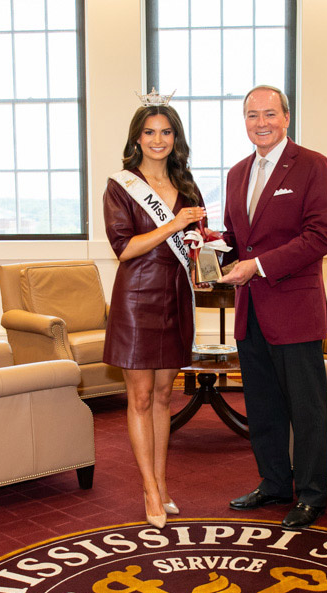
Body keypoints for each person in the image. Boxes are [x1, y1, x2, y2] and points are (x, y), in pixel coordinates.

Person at [218, 85, 327, 529]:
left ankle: (311, 495)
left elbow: (321, 236)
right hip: (250, 311)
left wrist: (257, 266)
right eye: (252, 115)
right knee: (263, 405)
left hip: (294, 310)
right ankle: (273, 483)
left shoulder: (313, 166)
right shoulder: (236, 174)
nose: (261, 123)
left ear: (286, 118)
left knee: (306, 411)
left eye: (269, 114)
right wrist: (211, 243)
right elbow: (237, 237)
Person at [103, 101, 206, 529]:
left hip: (175, 295)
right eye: (150, 132)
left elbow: (197, 245)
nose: (158, 140)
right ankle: (148, 489)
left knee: (165, 396)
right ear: (136, 138)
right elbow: (124, 248)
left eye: (166, 132)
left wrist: (209, 250)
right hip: (138, 295)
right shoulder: (121, 186)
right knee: (141, 397)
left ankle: (162, 485)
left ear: (175, 139)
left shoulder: (187, 185)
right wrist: (172, 225)